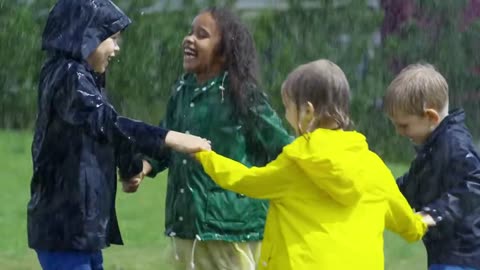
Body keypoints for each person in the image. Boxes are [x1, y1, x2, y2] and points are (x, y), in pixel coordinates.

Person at [194, 59, 428, 270]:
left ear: (307, 111)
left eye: (288, 108)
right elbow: (407, 224)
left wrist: (205, 155)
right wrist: (425, 221)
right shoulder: (373, 166)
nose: (286, 116)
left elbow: (245, 181)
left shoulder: (296, 164)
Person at [28, 1, 210, 269]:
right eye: (111, 38)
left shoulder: (85, 76)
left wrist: (131, 167)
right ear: (85, 34)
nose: (116, 48)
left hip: (81, 229)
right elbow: (111, 123)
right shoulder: (67, 75)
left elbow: (107, 131)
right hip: (64, 228)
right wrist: (172, 138)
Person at [125, 6, 292, 270]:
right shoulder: (182, 91)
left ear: (224, 52)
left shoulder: (241, 95)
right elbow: (166, 140)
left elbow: (282, 147)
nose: (189, 39)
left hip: (231, 232)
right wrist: (144, 168)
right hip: (185, 227)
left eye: (201, 35)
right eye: (189, 32)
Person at [383, 63, 480, 270]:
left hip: (463, 256)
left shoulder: (455, 144)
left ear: (430, 117)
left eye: (404, 125)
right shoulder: (432, 148)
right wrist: (380, 194)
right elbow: (412, 184)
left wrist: (435, 213)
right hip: (443, 254)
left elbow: (473, 186)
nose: (399, 132)